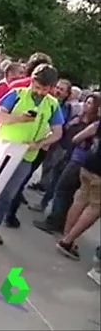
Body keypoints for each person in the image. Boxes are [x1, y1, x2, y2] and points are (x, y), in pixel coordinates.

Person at [0, 64, 64, 245]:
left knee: (9, 192)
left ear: (51, 88)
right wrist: (19, 118)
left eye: (44, 89)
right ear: (32, 81)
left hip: (26, 155)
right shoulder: (16, 94)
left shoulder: (52, 105)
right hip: (4, 149)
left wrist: (40, 144)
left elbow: (58, 132)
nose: (39, 92)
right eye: (37, 87)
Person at [33, 93, 101, 232]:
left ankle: (55, 222)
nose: (86, 106)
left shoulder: (95, 124)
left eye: (90, 103)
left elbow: (77, 138)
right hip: (75, 157)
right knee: (72, 194)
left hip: (80, 160)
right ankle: (65, 229)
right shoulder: (80, 119)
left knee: (63, 190)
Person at [55, 116, 101, 260]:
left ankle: (67, 237)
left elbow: (77, 138)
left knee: (79, 199)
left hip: (89, 164)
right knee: (95, 207)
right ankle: (67, 241)